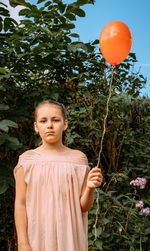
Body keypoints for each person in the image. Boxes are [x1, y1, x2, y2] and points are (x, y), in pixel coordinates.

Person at [14, 100, 103, 251]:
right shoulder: (27, 160)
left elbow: (84, 207)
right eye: (43, 121)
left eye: (55, 120)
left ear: (65, 124)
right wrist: (23, 243)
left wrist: (89, 188)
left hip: (71, 239)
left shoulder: (78, 159)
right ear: (36, 127)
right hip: (37, 238)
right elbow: (20, 204)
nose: (49, 125)